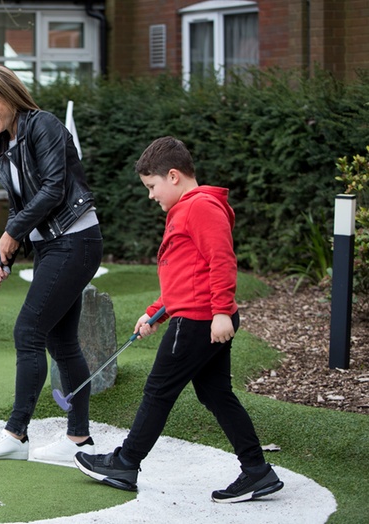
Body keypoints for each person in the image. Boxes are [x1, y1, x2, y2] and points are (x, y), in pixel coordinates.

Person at [75, 136, 284, 503]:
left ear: (173, 176)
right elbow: (188, 273)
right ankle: (256, 470)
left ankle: (125, 462)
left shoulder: (200, 207)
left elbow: (221, 260)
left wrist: (221, 311)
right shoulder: (188, 209)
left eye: (152, 186)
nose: (151, 196)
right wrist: (158, 309)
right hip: (198, 317)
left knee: (158, 391)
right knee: (216, 393)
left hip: (200, 321)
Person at [0, 64, 103, 462]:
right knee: (61, 341)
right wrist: (1, 256)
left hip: (75, 240)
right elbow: (20, 208)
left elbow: (53, 188)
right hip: (52, 247)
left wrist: (12, 234)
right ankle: (79, 440)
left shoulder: (43, 125)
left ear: (8, 94)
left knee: (28, 331)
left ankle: (16, 434)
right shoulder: (5, 146)